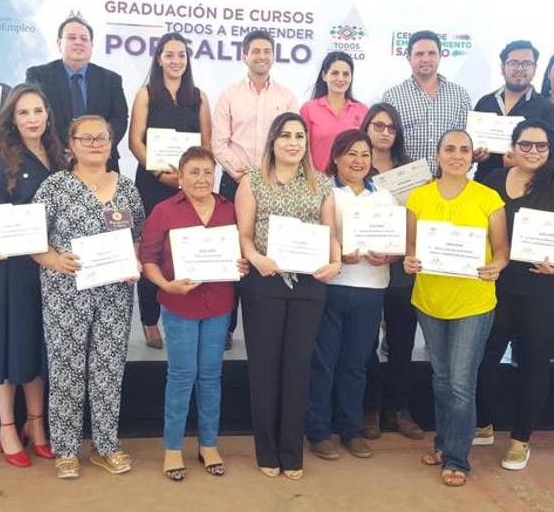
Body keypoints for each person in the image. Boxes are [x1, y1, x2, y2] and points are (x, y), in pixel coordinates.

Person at [33, 115, 146, 479]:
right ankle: (66, 449)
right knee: (66, 369)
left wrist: (134, 262)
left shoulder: (126, 188)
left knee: (108, 369)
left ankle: (106, 445)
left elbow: (138, 237)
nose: (95, 144)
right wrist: (53, 259)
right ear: (71, 145)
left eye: (102, 138)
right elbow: (32, 237)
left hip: (115, 294)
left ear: (112, 143)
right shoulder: (55, 186)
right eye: (86, 138)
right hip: (65, 292)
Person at [474, 120, 554, 470]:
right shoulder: (493, 181)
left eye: (541, 146)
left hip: (547, 291)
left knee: (533, 364)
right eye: (525, 144)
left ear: (552, 150)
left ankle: (520, 440)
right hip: (497, 288)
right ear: (513, 146)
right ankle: (482, 422)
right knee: (484, 358)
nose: (533, 151)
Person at [236, 112, 341, 480]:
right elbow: (244, 234)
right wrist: (257, 259)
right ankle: (267, 451)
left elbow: (330, 233)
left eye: (299, 136)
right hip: (264, 281)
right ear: (272, 141)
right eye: (285, 135)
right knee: (265, 368)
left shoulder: (321, 183)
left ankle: (291, 453)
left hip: (309, 285)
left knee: (298, 368)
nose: (293, 142)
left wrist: (336, 262)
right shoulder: (252, 181)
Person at [0, 86, 65, 467]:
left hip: (48, 270)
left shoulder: (58, 156)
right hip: (11, 268)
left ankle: (36, 424)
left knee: (37, 347)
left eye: (38, 110)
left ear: (48, 114)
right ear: (12, 119)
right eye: (24, 113)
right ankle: (7, 427)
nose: (32, 119)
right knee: (8, 348)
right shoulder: (0, 157)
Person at [404, 129, 509, 486]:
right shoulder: (418, 197)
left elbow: (502, 250)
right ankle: (444, 442)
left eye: (464, 149)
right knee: (441, 379)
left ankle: (457, 459)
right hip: (430, 300)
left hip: (473, 302)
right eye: (449, 149)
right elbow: (410, 247)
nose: (457, 155)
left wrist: (498, 265)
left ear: (472, 156)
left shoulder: (488, 198)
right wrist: (409, 261)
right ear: (437, 155)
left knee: (461, 383)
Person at [139, 147, 247, 482]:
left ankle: (208, 444)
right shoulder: (163, 211)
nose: (201, 178)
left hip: (218, 305)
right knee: (182, 375)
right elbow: (148, 259)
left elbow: (243, 251)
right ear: (180, 177)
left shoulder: (230, 209)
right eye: (194, 172)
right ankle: (173, 447)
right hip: (179, 306)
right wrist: (166, 285)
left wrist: (241, 264)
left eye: (207, 172)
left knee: (211, 375)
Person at [306, 130, 396, 461]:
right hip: (331, 287)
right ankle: (319, 432)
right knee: (323, 362)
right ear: (336, 157)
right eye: (351, 154)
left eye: (364, 155)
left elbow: (396, 244)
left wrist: (389, 255)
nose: (358, 161)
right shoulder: (321, 191)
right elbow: (309, 238)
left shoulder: (384, 197)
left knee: (356, 364)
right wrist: (337, 253)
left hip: (371, 288)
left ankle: (351, 430)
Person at [128, 32, 212, 350]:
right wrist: (158, 172)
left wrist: (189, 178)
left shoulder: (199, 97)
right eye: (169, 54)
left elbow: (206, 144)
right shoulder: (146, 94)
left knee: (182, 248)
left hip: (188, 186)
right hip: (152, 183)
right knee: (152, 250)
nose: (176, 60)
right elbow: (135, 141)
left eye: (181, 55)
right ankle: (150, 320)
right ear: (159, 59)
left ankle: (183, 311)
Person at [358, 103, 425, 441]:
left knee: (401, 341)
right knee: (366, 343)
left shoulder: (412, 171)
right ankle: (369, 408)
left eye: (391, 128)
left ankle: (397, 409)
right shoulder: (356, 168)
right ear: (366, 128)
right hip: (365, 266)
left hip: (402, 265)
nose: (385, 132)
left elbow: (424, 215)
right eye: (378, 126)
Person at [25, 16, 129, 172]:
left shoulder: (110, 79)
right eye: (72, 38)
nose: (78, 42)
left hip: (102, 162)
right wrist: (70, 147)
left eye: (84, 39)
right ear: (59, 43)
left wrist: (98, 145)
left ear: (91, 45)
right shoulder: (39, 75)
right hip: (54, 160)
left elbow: (120, 118)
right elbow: (35, 115)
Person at [211, 29, 299, 201]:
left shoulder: (287, 97)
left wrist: (274, 172)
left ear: (273, 56)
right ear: (245, 57)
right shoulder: (229, 95)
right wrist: (242, 174)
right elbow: (218, 143)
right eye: (256, 51)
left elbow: (293, 141)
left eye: (267, 51)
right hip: (234, 181)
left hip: (276, 182)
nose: (262, 56)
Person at [471, 40, 554, 182]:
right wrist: (475, 155)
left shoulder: (547, 109)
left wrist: (523, 163)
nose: (520, 69)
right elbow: (470, 145)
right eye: (513, 63)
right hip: (485, 183)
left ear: (535, 69)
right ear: (503, 68)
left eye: (527, 64)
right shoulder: (485, 102)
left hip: (528, 187)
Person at [381, 30, 471, 174]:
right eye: (419, 54)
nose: (426, 59)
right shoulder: (392, 96)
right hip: (406, 180)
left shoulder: (460, 95)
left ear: (440, 56)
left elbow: (466, 141)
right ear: (409, 58)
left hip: (447, 179)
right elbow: (384, 145)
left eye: (431, 53)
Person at [300, 51, 369, 172]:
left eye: (346, 74)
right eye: (335, 73)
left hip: (351, 180)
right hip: (317, 180)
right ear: (324, 76)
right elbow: (303, 151)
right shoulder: (308, 109)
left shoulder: (362, 110)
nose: (340, 79)